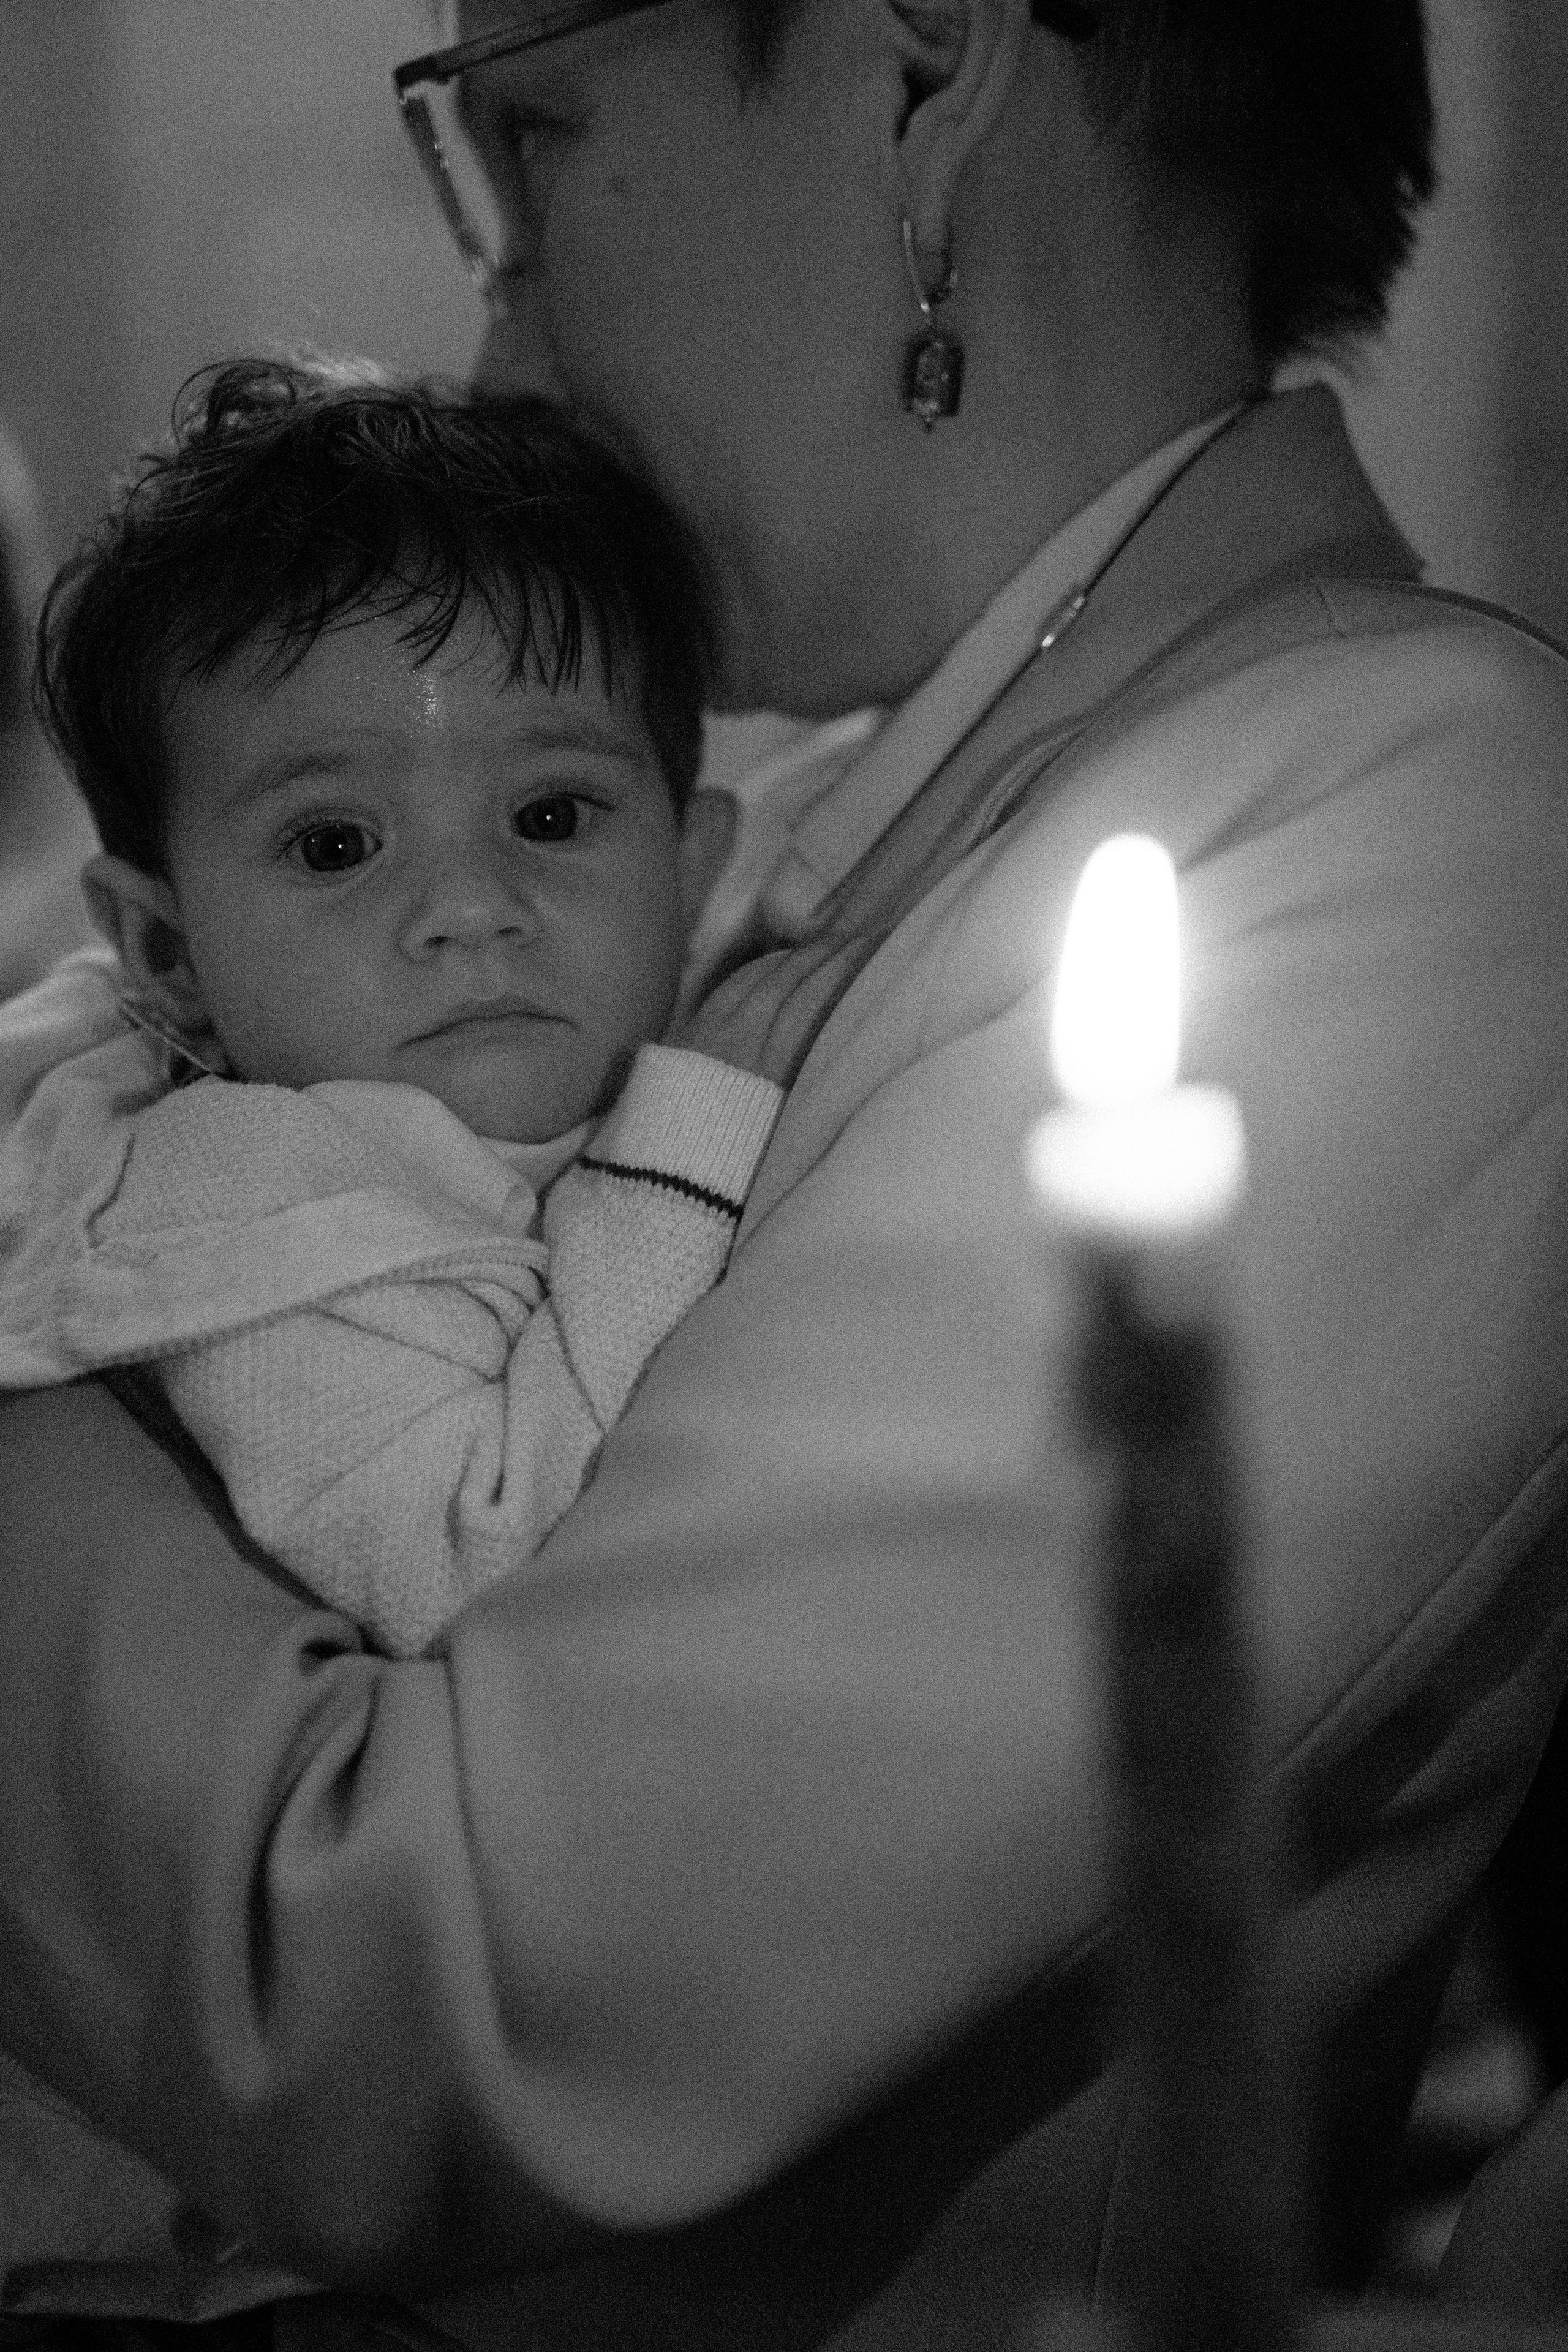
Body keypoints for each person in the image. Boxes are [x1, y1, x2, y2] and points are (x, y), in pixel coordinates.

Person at [1, 1, 1565, 2344]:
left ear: (921, 80)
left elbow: (450, 1982)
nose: (502, 326)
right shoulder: (836, 808)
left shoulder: (1397, 829)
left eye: (532, 133)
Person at [0, 354, 775, 1659]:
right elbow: (485, 1578)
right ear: (167, 950)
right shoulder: (244, 1232)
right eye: (334, 847)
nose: (468, 907)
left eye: (548, 815)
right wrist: (683, 1153)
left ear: (691, 868)